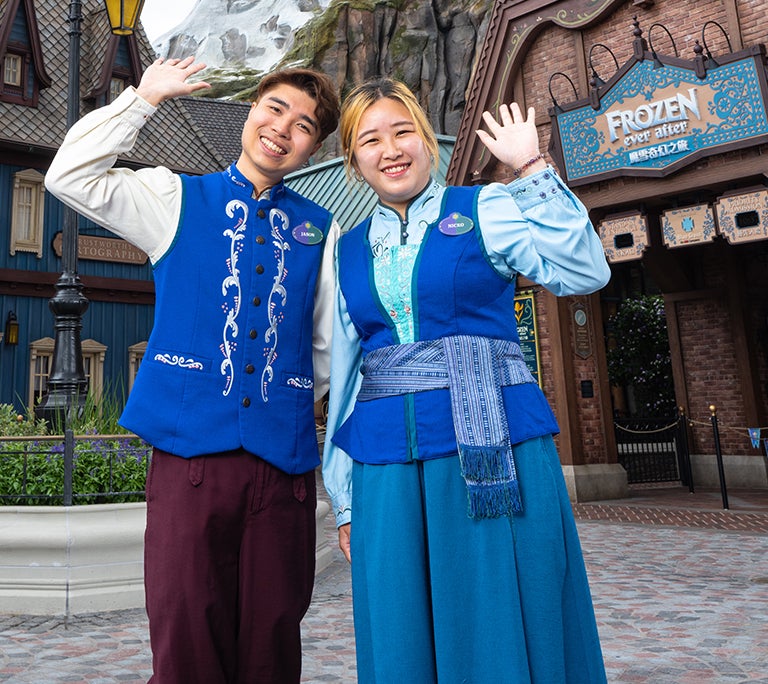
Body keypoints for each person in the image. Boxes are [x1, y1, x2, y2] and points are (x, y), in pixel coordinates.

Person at [45, 57, 340, 684]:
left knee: (273, 644)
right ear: (252, 109)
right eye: (276, 108)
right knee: (186, 640)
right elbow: (69, 176)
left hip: (282, 468)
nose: (284, 128)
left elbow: (324, 349)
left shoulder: (322, 229)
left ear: (315, 144)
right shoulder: (175, 197)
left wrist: (281, 398)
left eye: (306, 125)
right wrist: (143, 99)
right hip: (190, 461)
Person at [321, 77, 610, 683]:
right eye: (370, 140)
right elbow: (348, 380)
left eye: (403, 131)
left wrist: (530, 166)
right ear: (353, 161)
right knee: (400, 619)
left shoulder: (486, 207)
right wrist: (343, 500)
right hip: (388, 464)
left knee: (504, 608)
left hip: (496, 447)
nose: (391, 149)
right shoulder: (343, 252)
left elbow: (584, 270)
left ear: (427, 141)